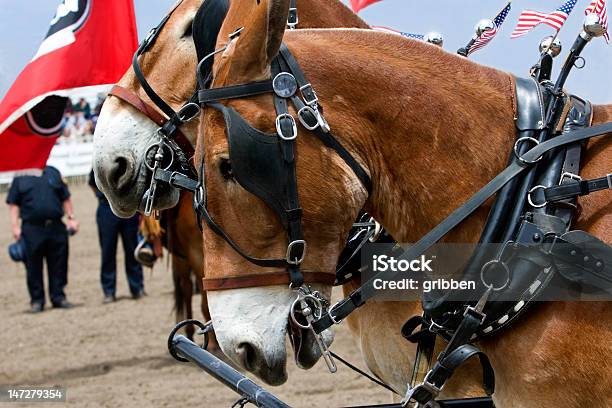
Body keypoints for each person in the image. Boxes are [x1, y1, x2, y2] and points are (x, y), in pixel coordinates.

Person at [6, 166, 79, 313]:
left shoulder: (53, 172)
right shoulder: (21, 175)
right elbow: (14, 203)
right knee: (33, 266)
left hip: (56, 226)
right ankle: (37, 301)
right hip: (32, 229)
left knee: (59, 264)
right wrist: (15, 226)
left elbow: (65, 197)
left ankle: (58, 297)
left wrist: (71, 218)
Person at [88, 170, 145, 303]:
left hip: (128, 208)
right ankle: (109, 291)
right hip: (107, 209)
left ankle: (137, 288)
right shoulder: (102, 163)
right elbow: (92, 183)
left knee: (132, 249)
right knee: (107, 252)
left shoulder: (130, 162)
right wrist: (102, 196)